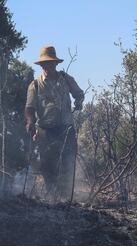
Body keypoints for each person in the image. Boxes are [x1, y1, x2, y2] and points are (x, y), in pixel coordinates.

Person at [25, 46, 84, 199]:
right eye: (44, 64)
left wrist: (79, 101)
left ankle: (66, 197)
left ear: (55, 64)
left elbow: (79, 93)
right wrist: (30, 123)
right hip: (45, 131)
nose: (47, 66)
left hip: (66, 129)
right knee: (47, 165)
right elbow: (29, 108)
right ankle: (52, 197)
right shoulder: (35, 85)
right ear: (41, 65)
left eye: (50, 63)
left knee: (67, 163)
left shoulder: (66, 79)